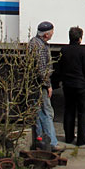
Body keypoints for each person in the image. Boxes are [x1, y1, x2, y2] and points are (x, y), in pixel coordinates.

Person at [57, 26, 85, 146]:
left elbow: (59, 68)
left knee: (69, 110)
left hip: (68, 85)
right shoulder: (83, 51)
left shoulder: (63, 50)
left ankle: (68, 137)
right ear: (80, 39)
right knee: (82, 113)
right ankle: (81, 139)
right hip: (81, 86)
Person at [28, 20, 61, 152]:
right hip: (40, 84)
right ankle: (52, 142)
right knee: (47, 112)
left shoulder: (33, 42)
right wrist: (48, 85)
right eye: (52, 32)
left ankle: (40, 140)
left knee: (38, 112)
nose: (53, 34)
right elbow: (41, 69)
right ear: (46, 35)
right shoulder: (41, 47)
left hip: (33, 83)